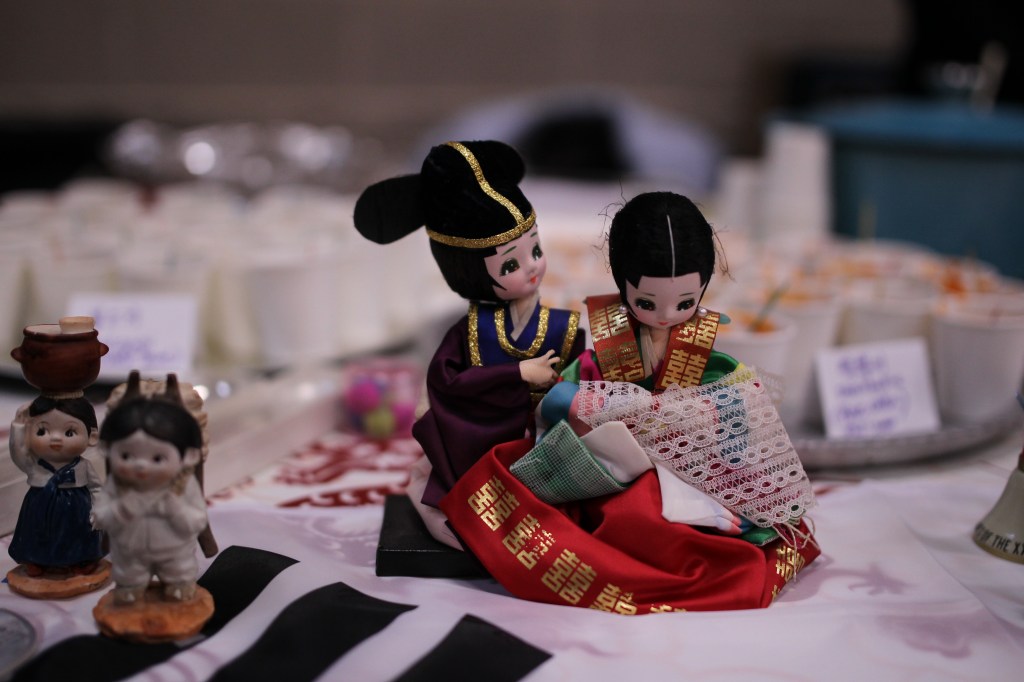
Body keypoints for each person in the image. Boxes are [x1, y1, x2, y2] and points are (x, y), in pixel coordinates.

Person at [440, 192, 819, 613]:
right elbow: (568, 398)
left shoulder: (700, 346)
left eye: (685, 303)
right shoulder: (612, 337)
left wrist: (699, 417)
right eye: (646, 303)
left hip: (688, 465)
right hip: (614, 468)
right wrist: (588, 408)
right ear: (623, 285)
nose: (665, 315)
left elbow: (731, 411)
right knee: (635, 512)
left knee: (693, 500)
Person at [354, 140, 585, 547]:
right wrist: (516, 373)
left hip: (545, 443)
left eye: (535, 249)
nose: (532, 267)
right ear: (472, 273)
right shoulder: (469, 332)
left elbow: (584, 374)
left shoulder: (562, 325)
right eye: (510, 264)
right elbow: (446, 384)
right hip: (482, 445)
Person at [93, 373, 209, 604]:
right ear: (107, 449)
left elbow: (198, 521)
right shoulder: (118, 485)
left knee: (179, 570)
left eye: (157, 458)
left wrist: (175, 510)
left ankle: (179, 583)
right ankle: (131, 587)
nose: (141, 466)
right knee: (129, 573)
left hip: (174, 549)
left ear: (188, 456)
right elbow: (99, 517)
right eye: (127, 456)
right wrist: (122, 510)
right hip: (130, 550)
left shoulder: (183, 486)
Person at [8, 396, 105, 576]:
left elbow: (97, 488)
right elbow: (18, 452)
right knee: (35, 532)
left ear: (92, 437)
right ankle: (35, 560)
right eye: (42, 431)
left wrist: (99, 509)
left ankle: (81, 559)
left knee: (78, 535)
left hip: (76, 508)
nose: (55, 438)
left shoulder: (83, 466)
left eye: (69, 433)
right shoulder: (34, 463)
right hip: (39, 505)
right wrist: (19, 426)